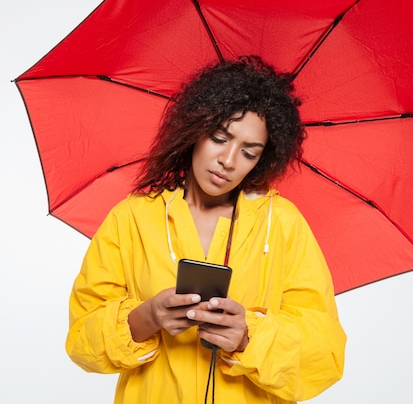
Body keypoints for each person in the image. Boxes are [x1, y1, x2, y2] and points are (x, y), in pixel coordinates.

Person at [65, 55, 346, 404]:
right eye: (219, 137)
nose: (228, 161)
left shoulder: (283, 223)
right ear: (195, 130)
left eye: (249, 152)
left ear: (264, 158)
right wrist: (145, 317)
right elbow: (80, 341)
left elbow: (326, 355)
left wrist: (247, 337)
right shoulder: (132, 218)